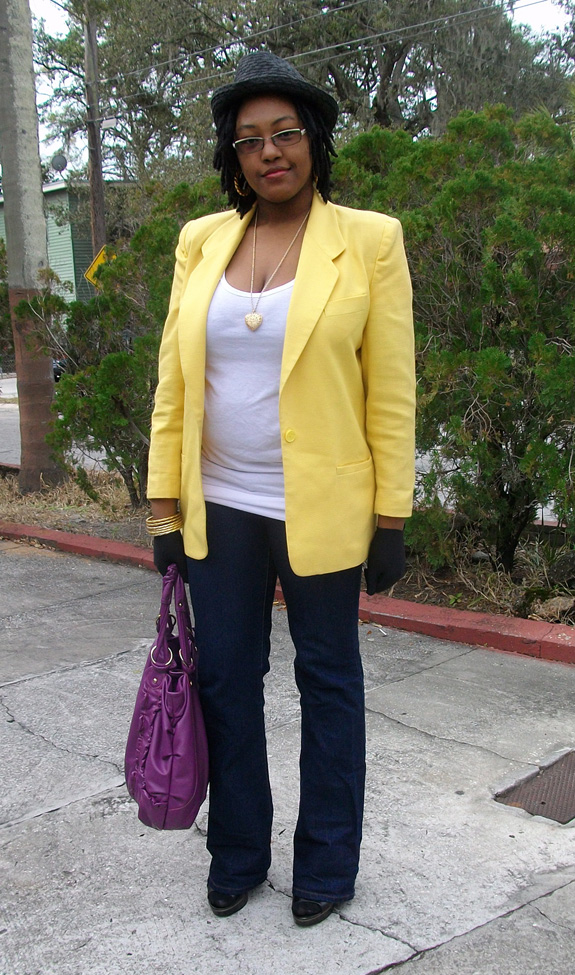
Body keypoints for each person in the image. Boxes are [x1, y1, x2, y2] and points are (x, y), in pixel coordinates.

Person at [146, 51, 415, 927]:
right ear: (232, 155)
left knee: (328, 681)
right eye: (250, 139)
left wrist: (390, 515)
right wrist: (161, 505)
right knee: (226, 680)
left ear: (314, 142)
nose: (270, 152)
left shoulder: (368, 239)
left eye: (286, 134)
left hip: (321, 507)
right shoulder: (201, 240)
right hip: (219, 504)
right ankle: (238, 851)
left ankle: (327, 864)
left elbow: (391, 389)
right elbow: (174, 384)